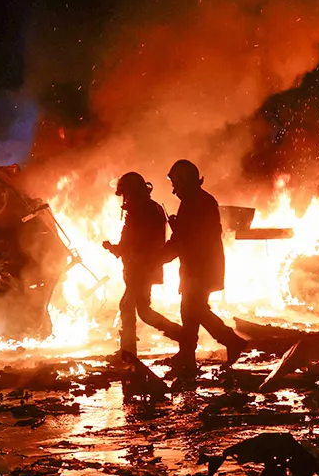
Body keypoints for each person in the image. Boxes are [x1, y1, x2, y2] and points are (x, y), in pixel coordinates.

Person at [161, 160, 247, 379]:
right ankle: (186, 356)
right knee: (190, 311)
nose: (173, 189)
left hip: (200, 267)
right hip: (200, 266)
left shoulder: (195, 202)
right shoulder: (198, 200)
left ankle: (232, 341)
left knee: (195, 309)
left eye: (176, 182)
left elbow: (191, 238)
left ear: (185, 180)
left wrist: (163, 254)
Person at [102, 172, 183, 357]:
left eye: (126, 194)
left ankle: (128, 352)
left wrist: (113, 248)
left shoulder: (140, 211)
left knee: (127, 305)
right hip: (146, 266)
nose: (124, 198)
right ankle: (182, 336)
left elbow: (132, 243)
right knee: (144, 311)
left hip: (141, 268)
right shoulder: (150, 207)